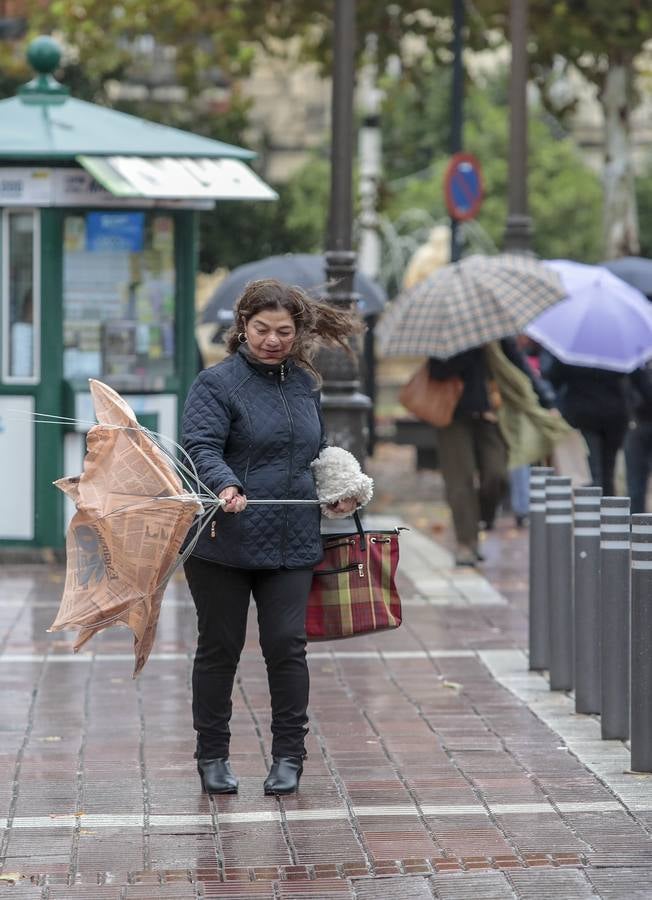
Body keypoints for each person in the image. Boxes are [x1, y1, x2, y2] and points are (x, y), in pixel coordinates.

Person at [181, 279, 373, 796]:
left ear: (299, 332)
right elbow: (199, 444)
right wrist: (224, 483)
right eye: (261, 329)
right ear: (242, 326)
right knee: (220, 647)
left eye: (283, 331)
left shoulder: (306, 384)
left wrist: (342, 491)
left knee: (287, 646)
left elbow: (319, 450)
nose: (271, 340)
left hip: (291, 537)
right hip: (222, 538)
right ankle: (212, 755)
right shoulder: (216, 384)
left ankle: (290, 755)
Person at [429, 339, 555, 566]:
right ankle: (467, 544)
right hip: (453, 416)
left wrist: (546, 399)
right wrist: (467, 351)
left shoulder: (494, 334)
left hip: (490, 414)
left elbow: (518, 365)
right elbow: (436, 372)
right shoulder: (447, 336)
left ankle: (480, 518)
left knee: (498, 476)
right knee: (460, 483)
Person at [540, 353, 628, 496]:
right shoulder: (615, 348)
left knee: (592, 470)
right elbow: (633, 376)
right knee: (608, 472)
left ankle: (595, 513)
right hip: (613, 414)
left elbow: (554, 377)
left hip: (583, 415)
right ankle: (607, 512)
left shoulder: (573, 351)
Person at [625, 362, 652, 513]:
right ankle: (636, 529)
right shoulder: (633, 363)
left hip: (638, 424)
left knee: (636, 485)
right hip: (637, 424)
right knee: (635, 486)